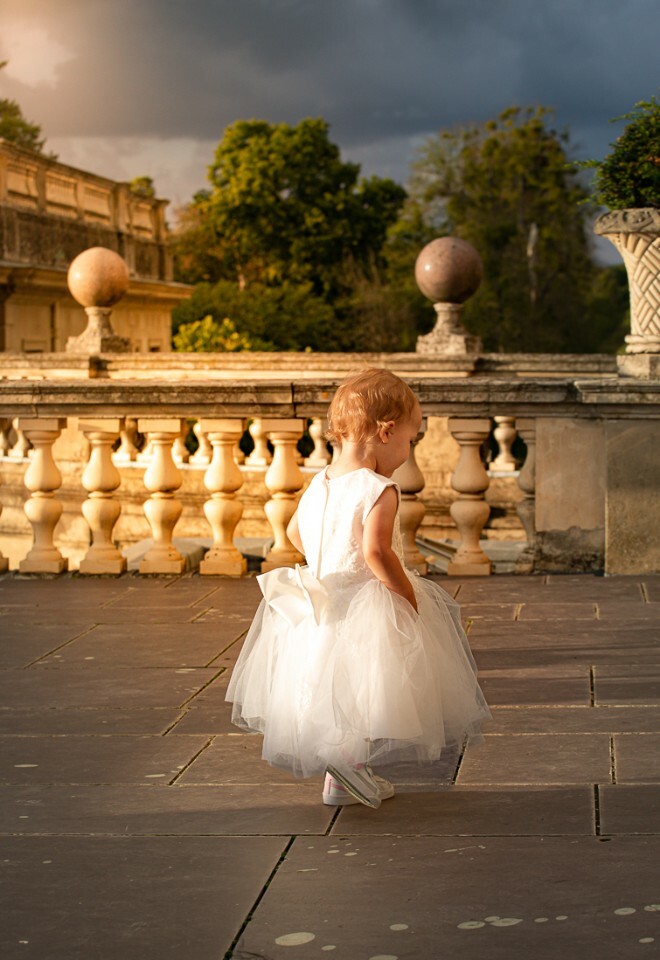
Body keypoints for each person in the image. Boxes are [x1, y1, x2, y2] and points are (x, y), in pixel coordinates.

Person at [226, 368, 491, 809]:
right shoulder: (378, 488)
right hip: (367, 603)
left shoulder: (321, 481)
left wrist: (329, 559)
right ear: (386, 432)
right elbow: (376, 552)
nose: (407, 452)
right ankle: (348, 765)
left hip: (325, 600)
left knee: (333, 690)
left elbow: (294, 533)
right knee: (369, 691)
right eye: (410, 440)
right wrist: (405, 594)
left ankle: (341, 778)